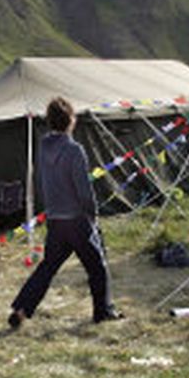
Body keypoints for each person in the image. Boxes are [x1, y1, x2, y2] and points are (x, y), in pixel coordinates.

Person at [8, 97, 124, 328]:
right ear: (70, 120)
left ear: (50, 121)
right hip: (77, 220)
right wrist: (93, 213)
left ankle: (21, 310)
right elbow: (84, 188)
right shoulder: (74, 150)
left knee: (47, 268)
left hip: (55, 220)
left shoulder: (42, 147)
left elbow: (43, 182)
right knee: (97, 267)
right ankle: (103, 312)